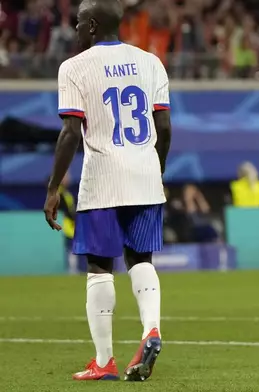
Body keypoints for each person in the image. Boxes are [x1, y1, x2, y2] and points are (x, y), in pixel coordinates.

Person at [43, 0, 172, 382]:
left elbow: (69, 133)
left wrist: (53, 189)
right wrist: (155, 170)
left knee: (100, 266)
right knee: (140, 259)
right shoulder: (151, 62)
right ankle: (151, 328)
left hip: (103, 176)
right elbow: (163, 128)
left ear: (94, 26)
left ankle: (104, 361)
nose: (76, 30)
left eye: (80, 23)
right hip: (145, 173)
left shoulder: (75, 67)